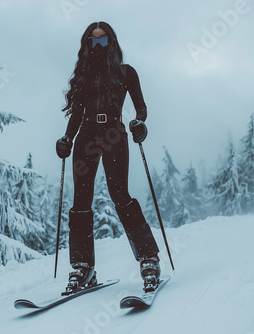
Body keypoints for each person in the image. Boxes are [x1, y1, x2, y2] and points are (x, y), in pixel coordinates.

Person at [56, 21, 160, 294]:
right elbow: (76, 115)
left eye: (103, 40)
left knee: (120, 194)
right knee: (80, 200)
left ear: (111, 43)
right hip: (86, 135)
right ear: (87, 45)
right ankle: (83, 267)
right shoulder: (83, 76)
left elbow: (141, 107)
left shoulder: (126, 73)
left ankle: (149, 259)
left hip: (114, 133)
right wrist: (67, 138)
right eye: (93, 41)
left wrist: (139, 123)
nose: (98, 45)